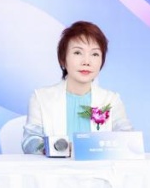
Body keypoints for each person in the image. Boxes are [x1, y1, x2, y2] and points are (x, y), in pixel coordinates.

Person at [22, 21, 132, 154]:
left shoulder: (111, 100)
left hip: (99, 167)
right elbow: (30, 141)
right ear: (63, 59)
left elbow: (128, 138)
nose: (86, 61)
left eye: (95, 54)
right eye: (78, 52)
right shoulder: (41, 98)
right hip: (55, 167)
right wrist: (59, 148)